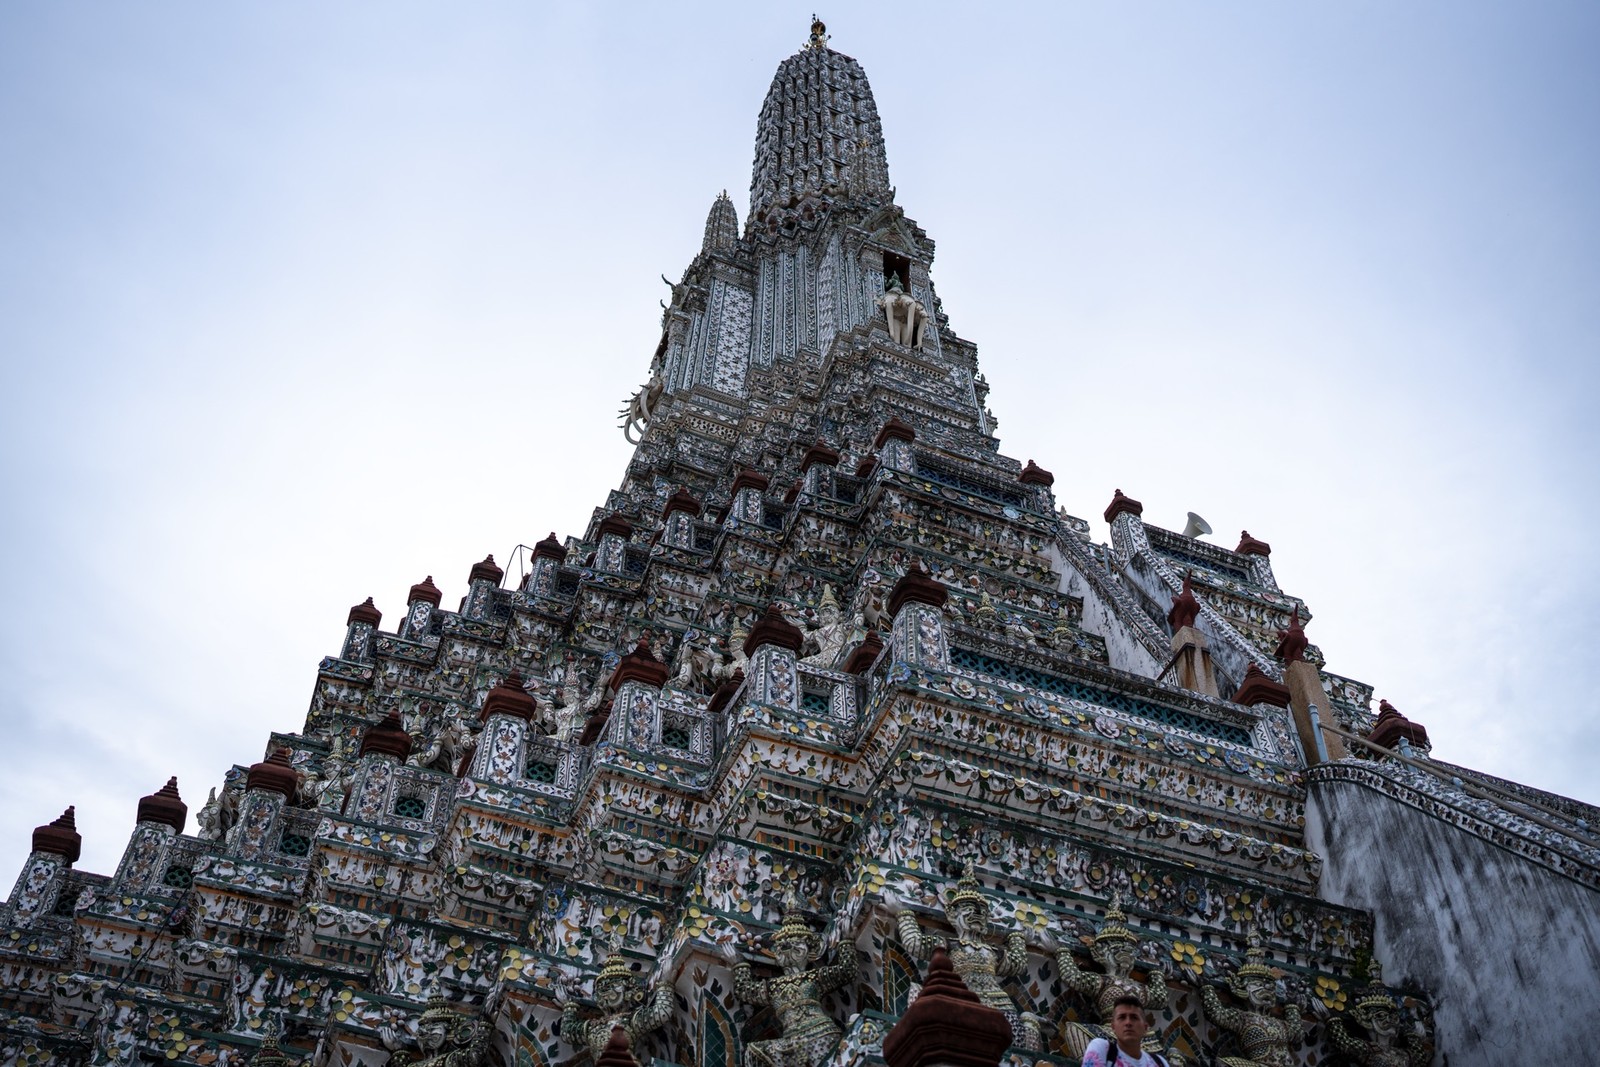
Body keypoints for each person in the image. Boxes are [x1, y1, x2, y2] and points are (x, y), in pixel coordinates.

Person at [1082, 996, 1168, 1067]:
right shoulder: (1103, 1049)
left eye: (1134, 1017)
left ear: (1145, 1028)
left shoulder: (1160, 1063)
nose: (1128, 1023)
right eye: (1122, 1017)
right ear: (1113, 1027)